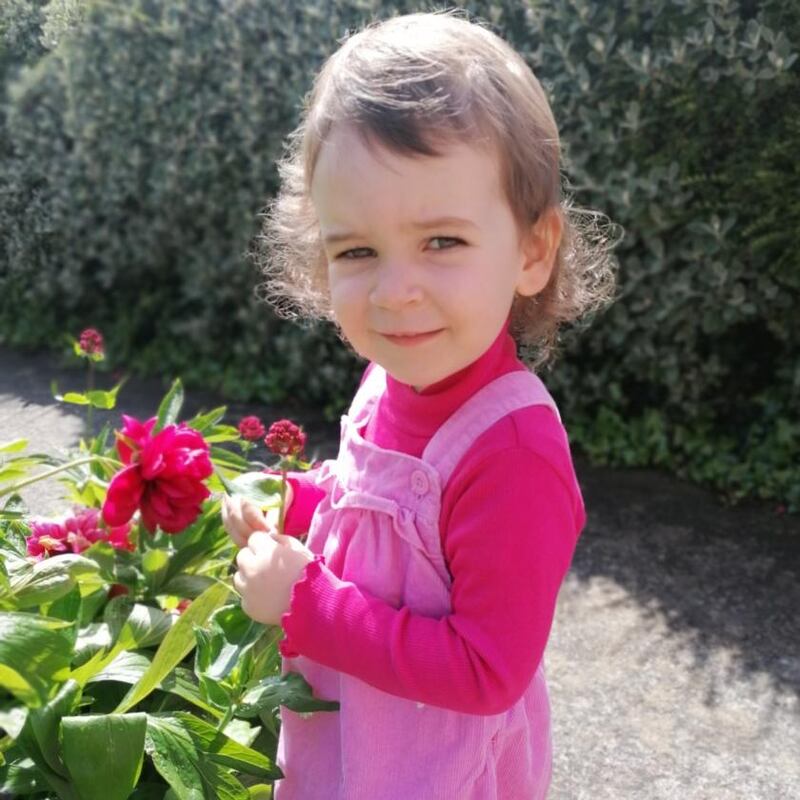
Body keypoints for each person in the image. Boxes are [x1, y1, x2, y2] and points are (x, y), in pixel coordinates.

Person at [222, 9, 616, 799]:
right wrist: (299, 501)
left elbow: (486, 670)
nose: (396, 290)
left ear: (532, 250)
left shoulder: (513, 456)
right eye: (357, 250)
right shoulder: (390, 378)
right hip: (352, 746)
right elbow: (375, 502)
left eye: (442, 241)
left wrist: (305, 601)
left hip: (435, 772)